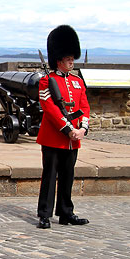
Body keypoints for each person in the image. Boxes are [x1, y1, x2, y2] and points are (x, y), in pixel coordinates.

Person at [36, 25, 90, 228]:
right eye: (68, 59)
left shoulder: (77, 81)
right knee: (50, 176)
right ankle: (44, 214)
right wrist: (69, 130)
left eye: (72, 59)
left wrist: (82, 129)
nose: (71, 62)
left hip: (73, 139)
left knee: (68, 175)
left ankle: (66, 212)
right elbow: (50, 109)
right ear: (58, 60)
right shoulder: (47, 82)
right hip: (54, 137)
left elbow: (84, 106)